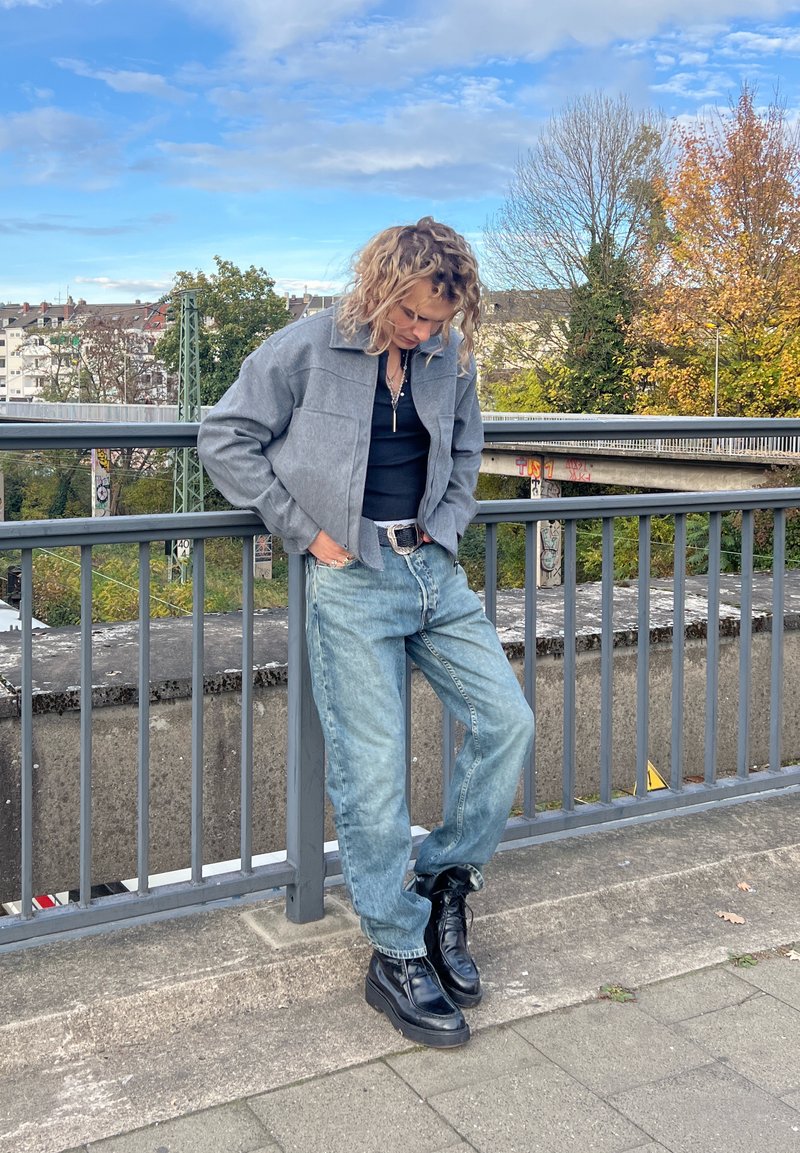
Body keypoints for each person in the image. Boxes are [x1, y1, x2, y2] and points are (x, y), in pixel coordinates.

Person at [197, 217, 534, 1048]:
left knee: (507, 721)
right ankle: (394, 948)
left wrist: (446, 529)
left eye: (438, 322)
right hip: (347, 577)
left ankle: (445, 880)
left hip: (430, 569)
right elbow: (225, 437)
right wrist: (305, 535)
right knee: (372, 768)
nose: (423, 334)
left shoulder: (449, 356)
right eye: (413, 316)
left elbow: (463, 451)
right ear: (383, 288)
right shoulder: (306, 348)